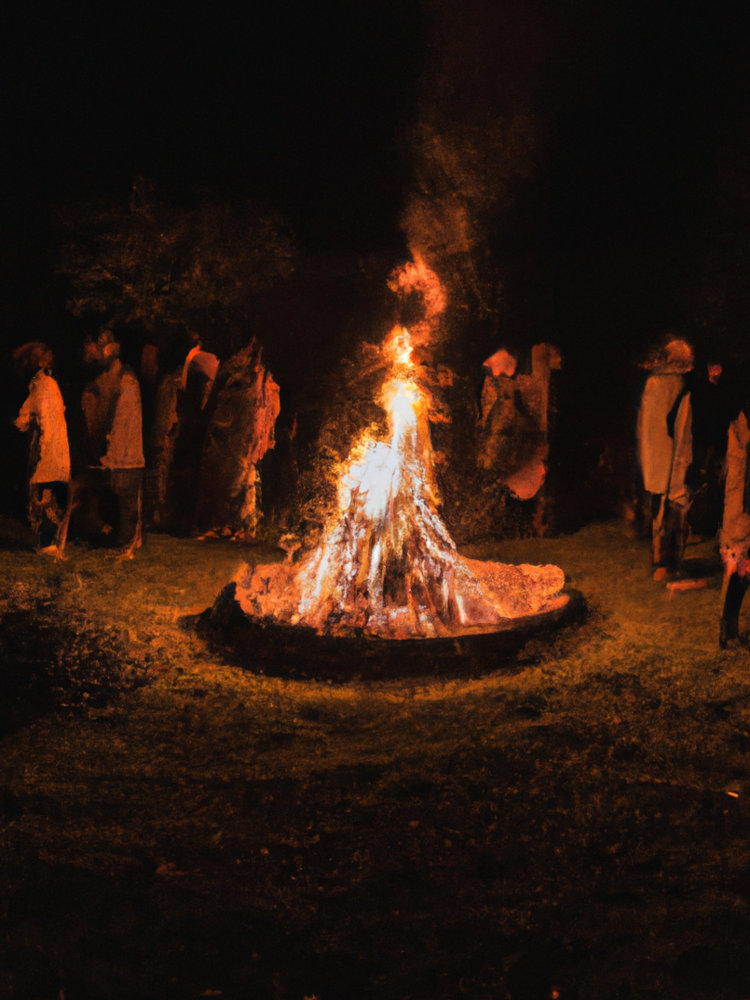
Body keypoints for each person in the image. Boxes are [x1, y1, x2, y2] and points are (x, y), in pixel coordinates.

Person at [79, 328, 145, 557]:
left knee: (126, 501)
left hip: (124, 456)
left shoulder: (126, 382)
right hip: (108, 456)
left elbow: (124, 424)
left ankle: (127, 542)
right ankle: (117, 536)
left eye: (96, 344)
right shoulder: (98, 383)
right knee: (113, 501)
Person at [636, 337, 694, 581]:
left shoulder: (654, 384)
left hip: (657, 458)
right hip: (667, 455)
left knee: (662, 506)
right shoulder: (676, 386)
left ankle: (664, 563)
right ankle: (666, 563)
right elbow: (677, 427)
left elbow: (645, 428)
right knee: (671, 507)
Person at [12, 342, 72, 557]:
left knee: (45, 494)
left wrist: (24, 425)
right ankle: (49, 542)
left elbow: (31, 417)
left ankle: (48, 544)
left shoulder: (42, 385)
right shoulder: (46, 384)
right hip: (56, 449)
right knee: (52, 492)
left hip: (48, 450)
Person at [718, 393, 750, 648]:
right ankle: (728, 629)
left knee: (744, 567)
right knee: (744, 567)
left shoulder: (740, 423)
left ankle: (728, 629)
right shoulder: (742, 426)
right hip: (745, 509)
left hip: (743, 508)